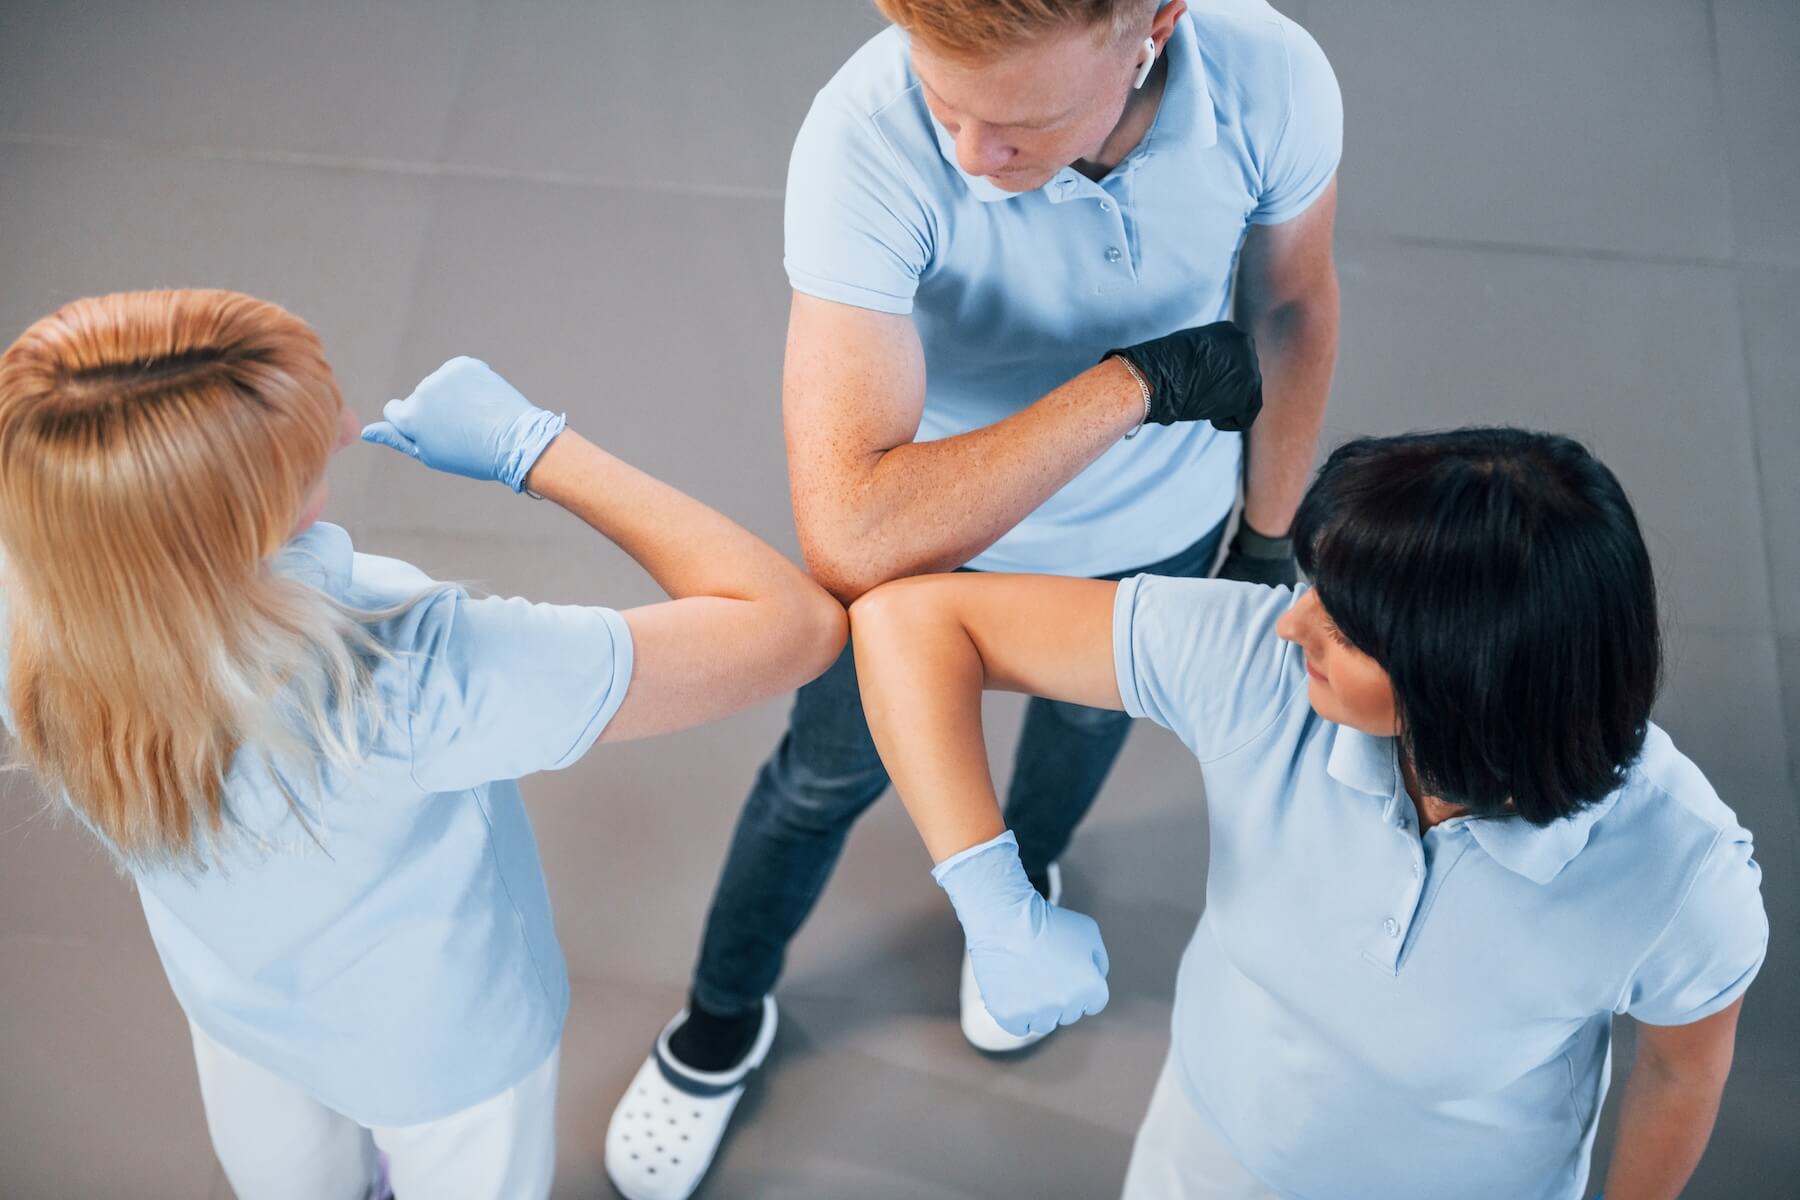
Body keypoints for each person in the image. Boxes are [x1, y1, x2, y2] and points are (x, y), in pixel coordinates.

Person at [608, 1, 1339, 1192]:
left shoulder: (1274, 77)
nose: (968, 153)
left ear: (1153, 26)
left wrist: (1266, 538)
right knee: (822, 778)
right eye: (945, 101)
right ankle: (718, 1019)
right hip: (926, 544)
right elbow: (853, 533)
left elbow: (1293, 305)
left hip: (1152, 532)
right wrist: (1131, 387)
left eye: (1020, 123)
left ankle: (1027, 876)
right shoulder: (864, 137)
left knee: (1084, 730)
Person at [0, 289, 846, 1200]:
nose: (348, 429)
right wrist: (537, 449)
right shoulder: (401, 671)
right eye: (303, 455)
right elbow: (794, 628)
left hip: (235, 1012)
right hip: (440, 1056)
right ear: (228, 527)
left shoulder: (28, 611)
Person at [848, 427, 1768, 1200]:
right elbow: (910, 624)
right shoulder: (1266, 667)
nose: (1294, 621)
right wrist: (992, 899)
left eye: (1348, 627)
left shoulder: (1682, 873)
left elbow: (1682, 1070)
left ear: (1463, 683)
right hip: (1207, 1156)